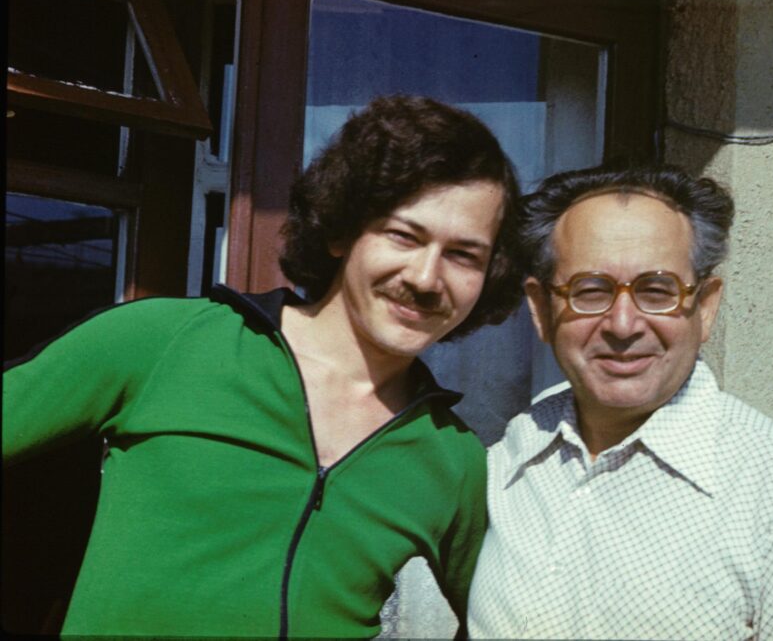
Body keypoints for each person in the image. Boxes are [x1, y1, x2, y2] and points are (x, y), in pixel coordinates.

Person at [3, 95, 521, 638]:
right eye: (403, 235)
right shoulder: (164, 342)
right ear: (341, 231)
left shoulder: (453, 457)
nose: (425, 277)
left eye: (463, 255)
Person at [468, 164, 773, 640]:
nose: (623, 325)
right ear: (542, 310)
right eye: (590, 290)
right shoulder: (515, 451)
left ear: (705, 307)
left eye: (656, 291)